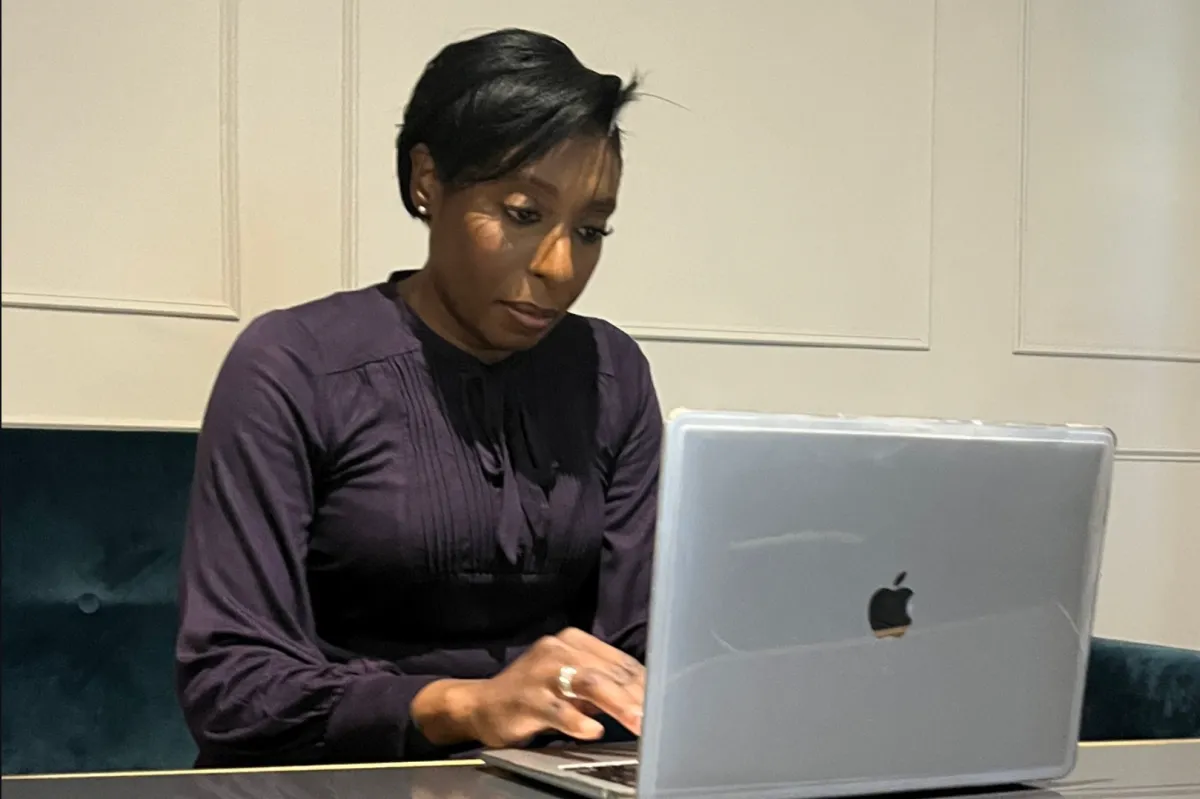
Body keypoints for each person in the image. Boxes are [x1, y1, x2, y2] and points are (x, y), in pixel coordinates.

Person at [175, 28, 661, 767]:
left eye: (590, 229)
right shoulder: (293, 364)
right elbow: (233, 686)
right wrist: (467, 705)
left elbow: (641, 649)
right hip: (329, 777)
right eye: (523, 213)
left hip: (553, 776)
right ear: (426, 181)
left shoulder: (611, 372)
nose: (561, 266)